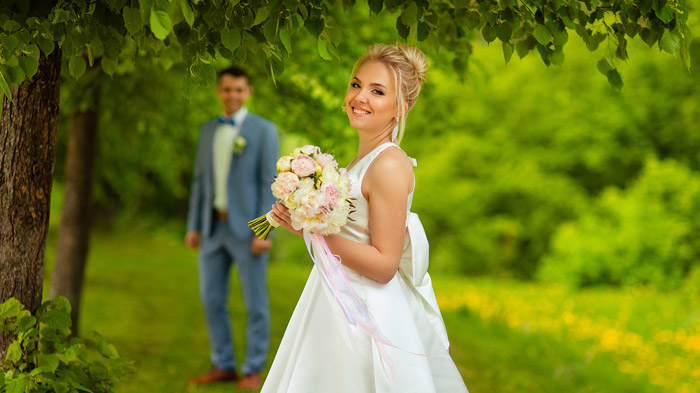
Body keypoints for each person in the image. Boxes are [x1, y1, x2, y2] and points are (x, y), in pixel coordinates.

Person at [262, 44, 469, 392]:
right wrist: (305, 218)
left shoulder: (388, 164)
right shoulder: (364, 160)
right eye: (356, 85)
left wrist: (309, 230)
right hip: (337, 296)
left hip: (365, 313)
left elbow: (385, 263)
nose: (360, 97)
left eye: (377, 91)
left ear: (401, 106)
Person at [185, 66, 279, 390]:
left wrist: (265, 231)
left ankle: (253, 368)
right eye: (227, 89)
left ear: (248, 91)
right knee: (212, 299)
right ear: (218, 92)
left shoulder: (265, 131)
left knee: (256, 304)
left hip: (249, 232)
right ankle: (223, 363)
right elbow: (200, 181)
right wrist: (194, 225)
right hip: (213, 227)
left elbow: (271, 183)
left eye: (239, 89)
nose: (233, 95)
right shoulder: (208, 130)